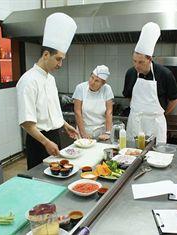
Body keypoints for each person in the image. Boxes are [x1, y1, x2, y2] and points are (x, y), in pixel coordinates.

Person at [16, 13, 79, 170]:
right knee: (40, 183)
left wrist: (64, 124)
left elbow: (50, 110)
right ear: (45, 55)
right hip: (39, 142)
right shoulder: (28, 81)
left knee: (56, 179)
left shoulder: (50, 79)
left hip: (54, 136)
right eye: (58, 59)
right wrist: (45, 142)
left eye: (62, 59)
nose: (61, 64)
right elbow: (27, 123)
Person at [123, 22, 177, 143]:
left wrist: (160, 113)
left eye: (140, 62)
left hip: (155, 124)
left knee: (156, 155)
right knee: (131, 154)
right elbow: (129, 96)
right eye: (134, 61)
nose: (136, 65)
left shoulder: (165, 74)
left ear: (150, 59)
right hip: (135, 123)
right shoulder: (130, 73)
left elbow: (175, 99)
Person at [72, 65, 114, 140]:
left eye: (97, 81)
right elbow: (77, 112)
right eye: (92, 77)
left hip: (101, 131)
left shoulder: (107, 89)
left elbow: (109, 112)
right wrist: (83, 133)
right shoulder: (80, 88)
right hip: (84, 130)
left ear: (103, 83)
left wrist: (108, 132)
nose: (92, 82)